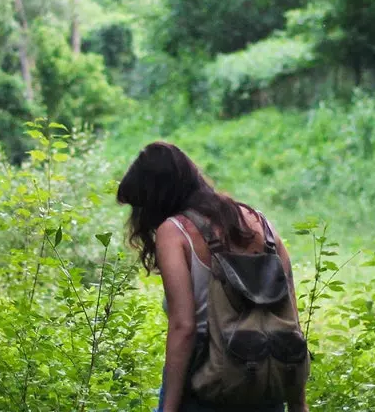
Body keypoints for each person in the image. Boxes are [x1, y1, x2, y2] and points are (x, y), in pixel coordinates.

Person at [116, 141, 309, 412]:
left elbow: (184, 327)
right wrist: (298, 402)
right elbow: (288, 318)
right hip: (268, 378)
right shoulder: (260, 223)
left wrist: (168, 408)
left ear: (155, 199)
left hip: (208, 381)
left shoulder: (174, 231)